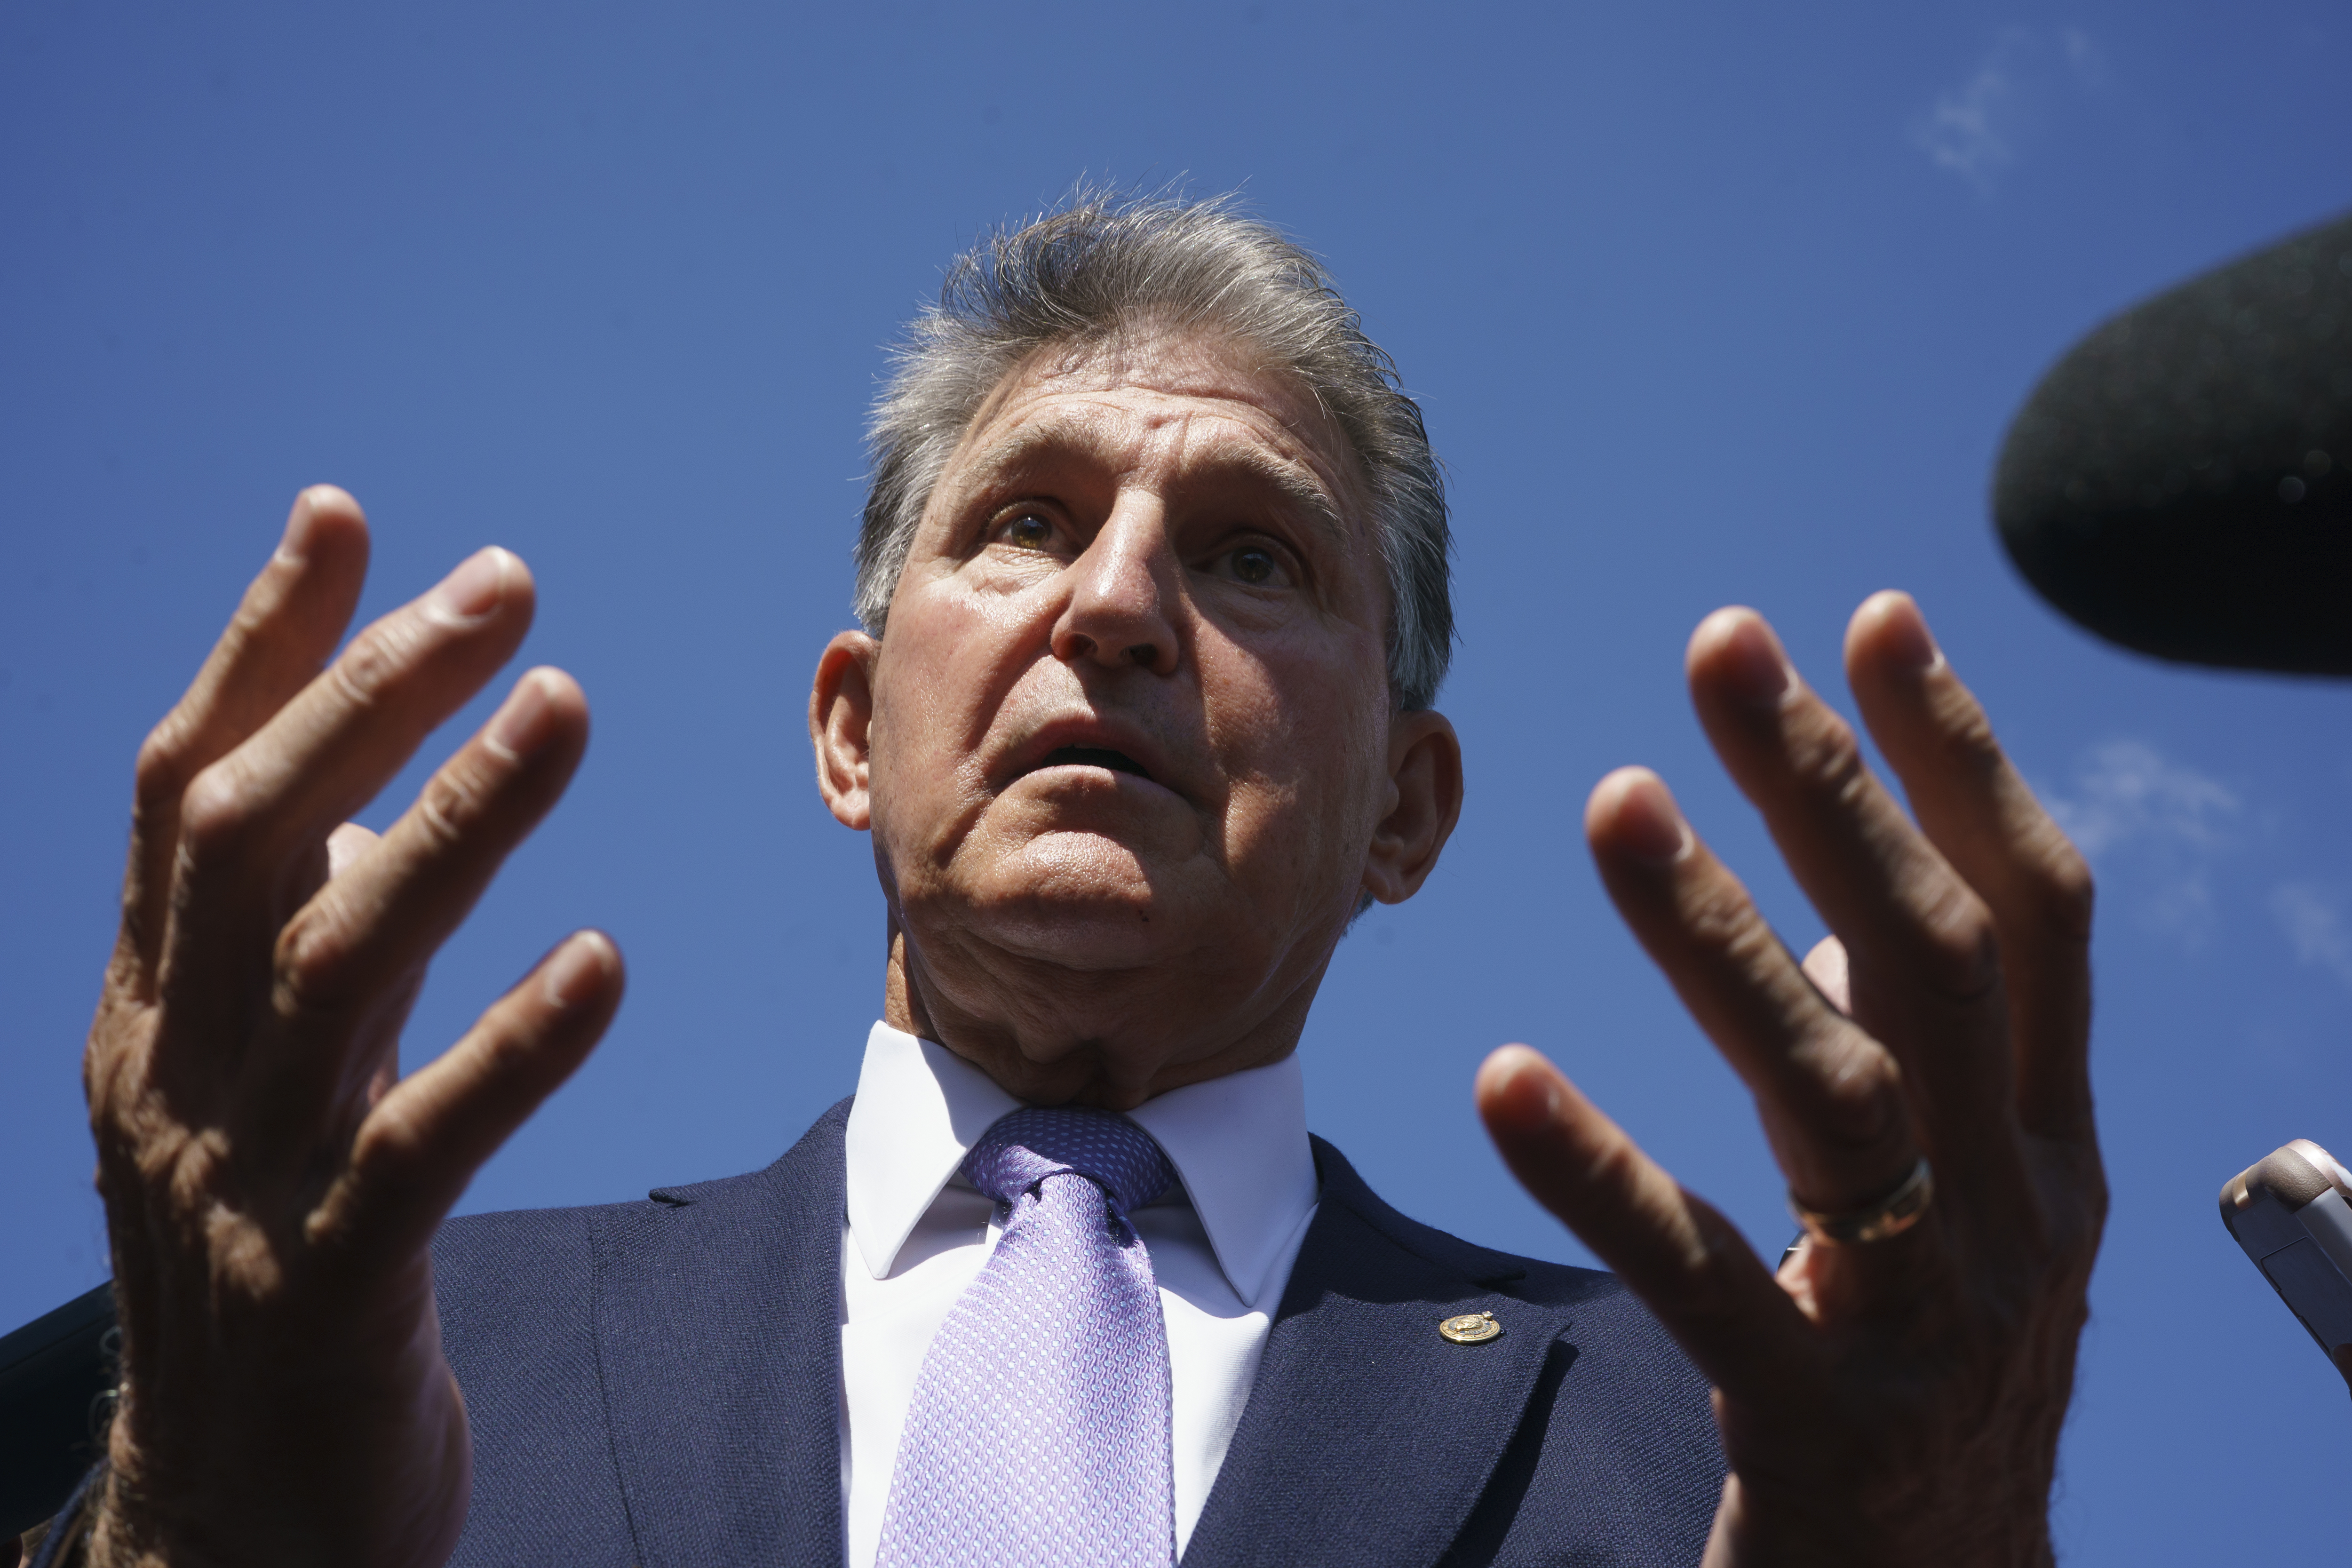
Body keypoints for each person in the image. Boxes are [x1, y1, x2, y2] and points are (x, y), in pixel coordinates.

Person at [43, 193, 2105, 1568]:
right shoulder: (365, 1340)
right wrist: (187, 1513)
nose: (1115, 603)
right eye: (1021, 522)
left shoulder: (1722, 1434)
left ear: (1403, 809)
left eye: (1250, 556)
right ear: (853, 729)